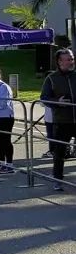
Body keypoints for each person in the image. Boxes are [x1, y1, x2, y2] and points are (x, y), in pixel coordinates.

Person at [40, 48, 76, 191]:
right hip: (62, 121)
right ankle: (57, 180)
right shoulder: (51, 78)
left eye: (72, 58)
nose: (71, 61)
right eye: (68, 59)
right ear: (60, 61)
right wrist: (57, 101)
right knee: (59, 152)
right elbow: (44, 98)